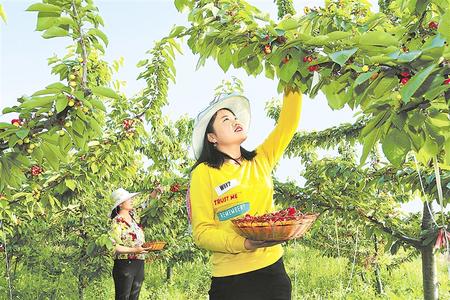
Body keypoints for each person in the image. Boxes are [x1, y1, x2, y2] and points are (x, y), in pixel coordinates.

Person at [189, 87, 302, 300]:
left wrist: (292, 73)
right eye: (225, 120)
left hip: (272, 273)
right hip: (231, 281)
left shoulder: (260, 160)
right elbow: (202, 232)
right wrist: (245, 243)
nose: (234, 121)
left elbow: (288, 123)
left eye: (234, 117)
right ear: (212, 137)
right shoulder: (204, 173)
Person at [109, 186, 162, 300]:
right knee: (123, 297)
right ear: (121, 204)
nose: (131, 200)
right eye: (128, 199)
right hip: (124, 264)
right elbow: (113, 246)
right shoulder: (116, 222)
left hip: (139, 262)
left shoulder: (133, 216)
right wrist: (134, 250)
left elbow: (146, 203)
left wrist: (156, 191)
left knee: (134, 297)